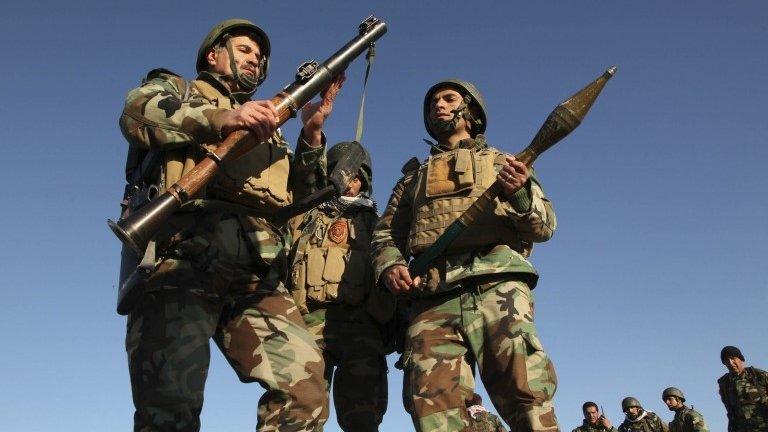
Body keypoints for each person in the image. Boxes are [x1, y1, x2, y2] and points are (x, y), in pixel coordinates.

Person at [118, 18, 344, 431]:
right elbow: (135, 113)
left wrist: (311, 135)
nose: (254, 61)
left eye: (259, 58)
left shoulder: (271, 128)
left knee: (306, 393)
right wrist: (222, 118)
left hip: (257, 274)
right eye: (244, 51)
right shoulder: (179, 90)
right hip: (182, 256)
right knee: (170, 406)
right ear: (213, 55)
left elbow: (299, 200)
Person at [370, 79, 559, 432]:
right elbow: (385, 235)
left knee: (527, 396)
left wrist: (519, 194)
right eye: (433, 103)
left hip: (496, 285)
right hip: (432, 298)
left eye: (448, 98)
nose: (438, 105)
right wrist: (391, 266)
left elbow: (545, 226)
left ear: (470, 110)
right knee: (434, 411)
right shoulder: (412, 180)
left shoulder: (505, 164)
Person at [286, 141, 394, 431]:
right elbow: (303, 175)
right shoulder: (305, 213)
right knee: (296, 409)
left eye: (357, 177)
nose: (350, 182)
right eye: (344, 174)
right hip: (306, 320)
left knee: (363, 414)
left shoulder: (377, 224)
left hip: (361, 325)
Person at [717, 345, 768, 431]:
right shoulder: (724, 383)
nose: (730, 362)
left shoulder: (758, 375)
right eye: (726, 360)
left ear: (741, 359)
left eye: (733, 358)